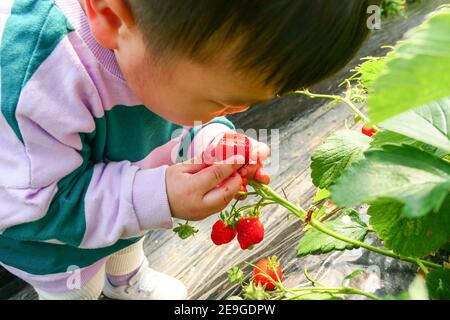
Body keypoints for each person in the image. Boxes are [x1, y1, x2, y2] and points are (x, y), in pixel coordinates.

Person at [0, 0, 379, 300]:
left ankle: (127, 278)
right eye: (220, 101)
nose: (237, 112)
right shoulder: (36, 83)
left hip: (117, 200)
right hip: (55, 242)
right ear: (110, 18)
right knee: (80, 286)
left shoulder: (152, 42)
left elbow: (181, 124)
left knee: (124, 241)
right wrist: (158, 195)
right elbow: (35, 206)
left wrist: (211, 141)